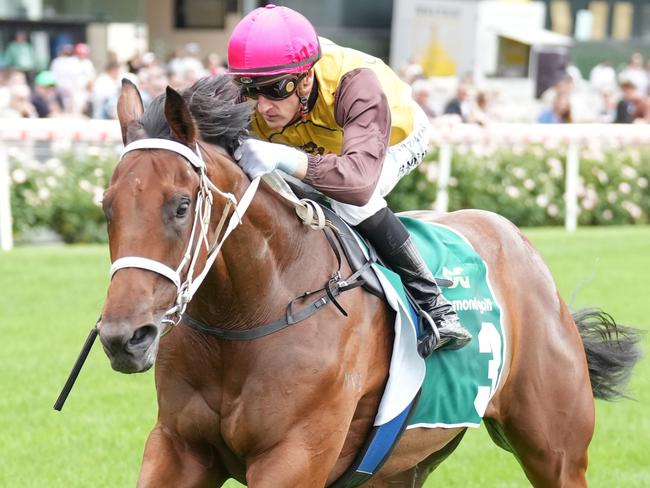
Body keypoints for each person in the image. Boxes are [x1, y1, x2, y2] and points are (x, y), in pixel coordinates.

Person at [226, 5, 471, 355]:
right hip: (320, 144)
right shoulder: (258, 83)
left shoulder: (356, 83)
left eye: (275, 90)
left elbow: (357, 183)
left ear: (306, 78)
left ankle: (435, 305)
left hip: (392, 140)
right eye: (251, 91)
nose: (262, 106)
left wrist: (283, 157)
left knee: (350, 201)